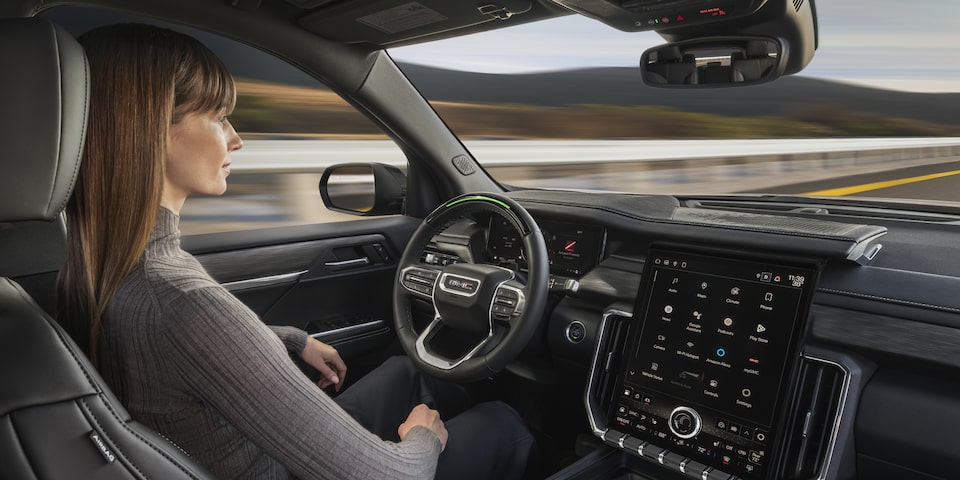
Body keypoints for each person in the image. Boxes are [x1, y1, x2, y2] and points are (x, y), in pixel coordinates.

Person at [57, 23, 535, 480]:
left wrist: (288, 339)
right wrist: (423, 439)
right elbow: (388, 473)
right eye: (218, 117)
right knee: (500, 423)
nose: (235, 138)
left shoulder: (100, 269)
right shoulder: (180, 302)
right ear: (149, 129)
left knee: (408, 374)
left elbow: (189, 353)